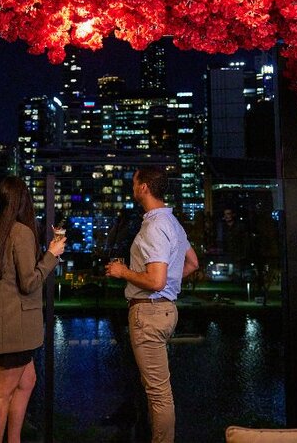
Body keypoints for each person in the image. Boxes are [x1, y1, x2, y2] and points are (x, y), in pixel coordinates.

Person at [105, 166, 199, 443]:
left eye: (134, 183)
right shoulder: (173, 223)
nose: (132, 187)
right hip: (165, 311)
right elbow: (192, 263)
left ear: (144, 187)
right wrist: (166, 281)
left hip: (149, 312)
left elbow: (156, 281)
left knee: (158, 394)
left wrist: (123, 273)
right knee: (155, 389)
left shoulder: (155, 226)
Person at [0, 175, 66, 443]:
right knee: (1, 394)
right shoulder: (21, 233)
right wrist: (51, 255)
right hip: (16, 329)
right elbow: (29, 283)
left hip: (0, 324)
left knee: (27, 381)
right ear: (23, 200)